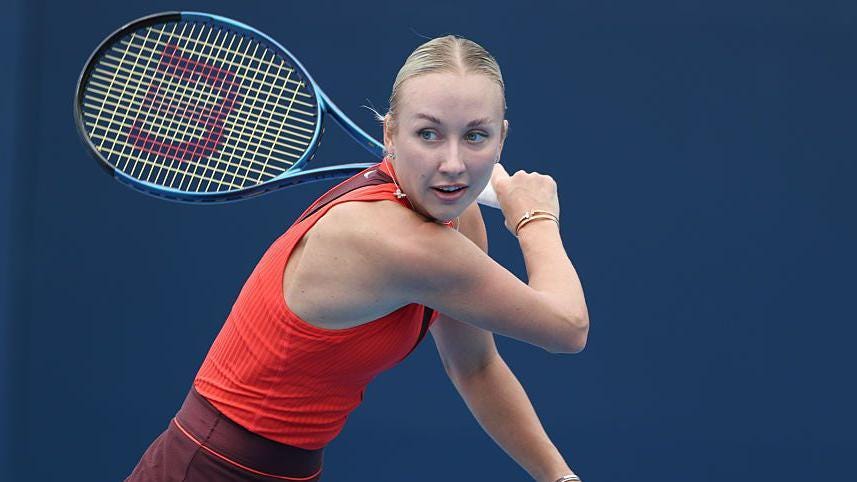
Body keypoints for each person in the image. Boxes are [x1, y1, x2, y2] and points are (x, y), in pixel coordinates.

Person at [125, 35, 589, 482]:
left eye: (475, 136)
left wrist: (559, 476)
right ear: (390, 132)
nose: (453, 163)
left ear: (500, 139)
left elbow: (476, 367)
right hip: (207, 468)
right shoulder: (394, 240)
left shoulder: (456, 219)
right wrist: (536, 217)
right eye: (428, 134)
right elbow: (567, 329)